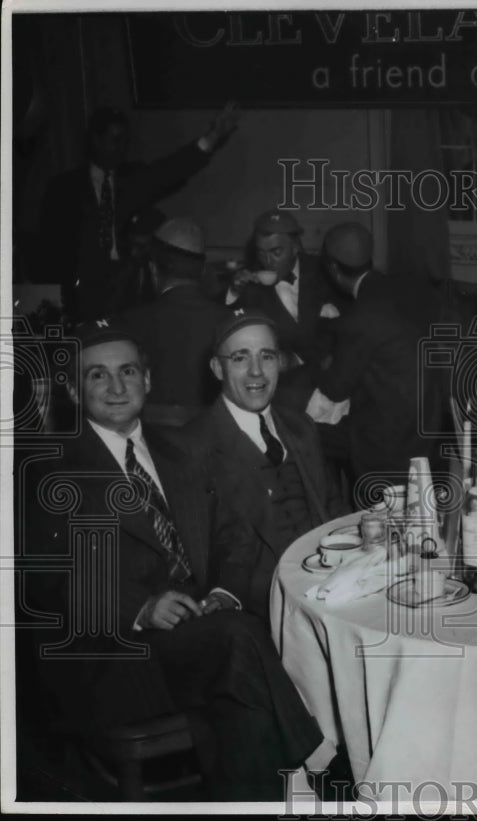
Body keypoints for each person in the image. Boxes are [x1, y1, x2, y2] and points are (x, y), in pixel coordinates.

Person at [20, 320, 330, 800]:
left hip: (198, 639)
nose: (117, 387)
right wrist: (139, 607)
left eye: (127, 372)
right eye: (98, 376)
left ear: (148, 379)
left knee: (241, 678)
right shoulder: (49, 468)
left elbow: (233, 536)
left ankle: (266, 800)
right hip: (116, 656)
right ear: (74, 388)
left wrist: (224, 592)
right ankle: (318, 761)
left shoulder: (176, 450)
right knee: (240, 639)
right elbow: (44, 579)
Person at [181, 310, 347, 621]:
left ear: (280, 363)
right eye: (240, 358)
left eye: (267, 357)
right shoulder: (194, 446)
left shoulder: (300, 427)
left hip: (330, 589)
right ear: (218, 367)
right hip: (258, 608)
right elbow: (200, 556)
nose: (256, 372)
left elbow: (333, 508)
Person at [40, 103, 238, 322]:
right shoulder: (66, 188)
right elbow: (51, 249)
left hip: (127, 289)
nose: (121, 148)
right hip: (82, 294)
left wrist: (213, 136)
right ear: (96, 141)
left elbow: (173, 168)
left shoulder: (132, 179)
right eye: (114, 140)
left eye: (125, 141)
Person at [316, 220, 433, 497]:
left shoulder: (362, 315)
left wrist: (323, 362)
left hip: (390, 445)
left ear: (332, 268)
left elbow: (335, 387)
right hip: (428, 426)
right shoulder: (405, 290)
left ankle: (327, 509)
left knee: (301, 430)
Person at [226, 209, 346, 412]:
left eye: (276, 252)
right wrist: (234, 291)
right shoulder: (250, 285)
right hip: (285, 398)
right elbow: (230, 328)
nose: (268, 261)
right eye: (261, 253)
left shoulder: (326, 272)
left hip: (335, 389)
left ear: (296, 247)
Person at [118, 217, 231, 427]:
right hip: (213, 449)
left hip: (148, 448)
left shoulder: (127, 324)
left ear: (152, 270)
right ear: (203, 270)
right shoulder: (231, 324)